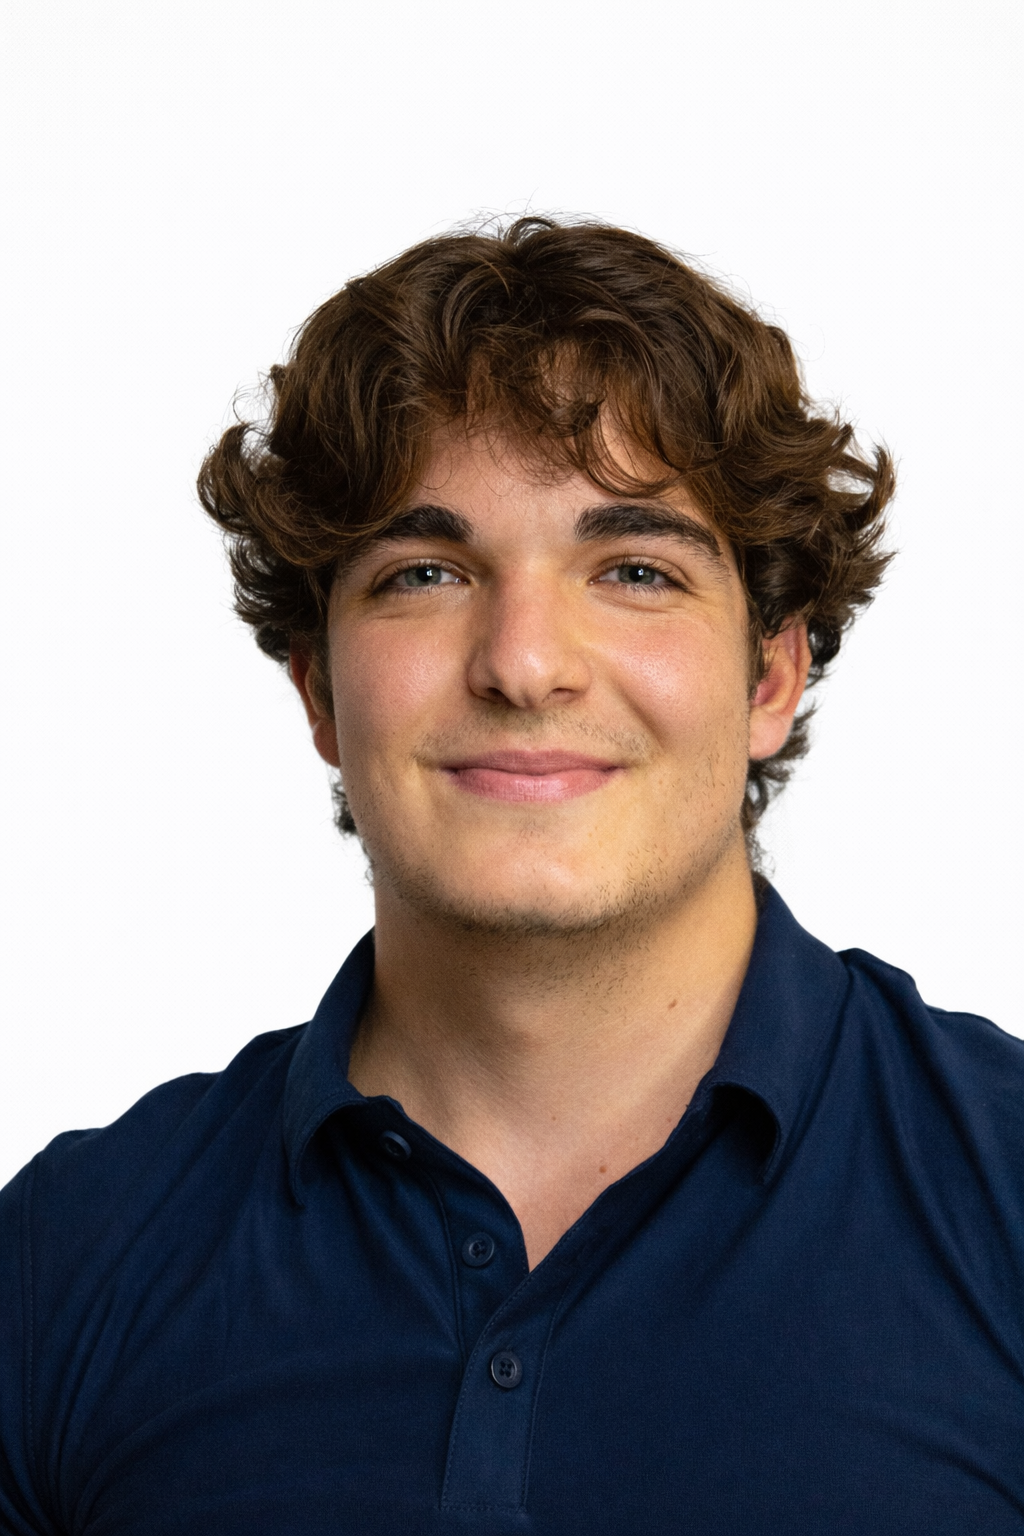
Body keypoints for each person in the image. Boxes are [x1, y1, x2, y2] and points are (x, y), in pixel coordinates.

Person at [2, 217, 1022, 1536]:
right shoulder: (65, 1261)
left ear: (771, 675)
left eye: (636, 570)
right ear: (319, 691)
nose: (525, 662)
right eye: (425, 573)